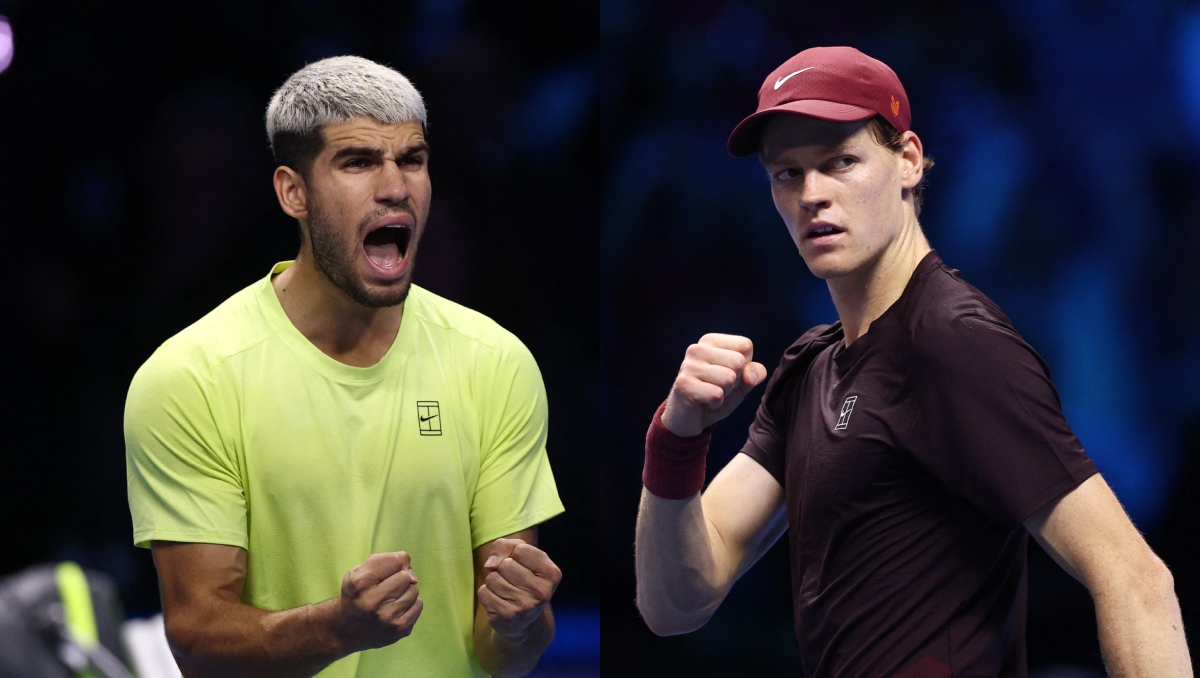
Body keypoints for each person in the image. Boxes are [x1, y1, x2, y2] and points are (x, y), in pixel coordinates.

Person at [634, 46, 1190, 677]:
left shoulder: (955, 343)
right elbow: (674, 601)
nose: (812, 194)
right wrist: (677, 437)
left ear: (907, 160)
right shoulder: (810, 366)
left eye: (840, 162)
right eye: (787, 174)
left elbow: (1137, 580)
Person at [125, 56, 565, 678]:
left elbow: (507, 650)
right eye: (358, 162)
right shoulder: (190, 376)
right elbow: (197, 639)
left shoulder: (496, 361)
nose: (395, 187)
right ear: (293, 192)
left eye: (411, 159)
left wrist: (521, 623)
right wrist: (338, 627)